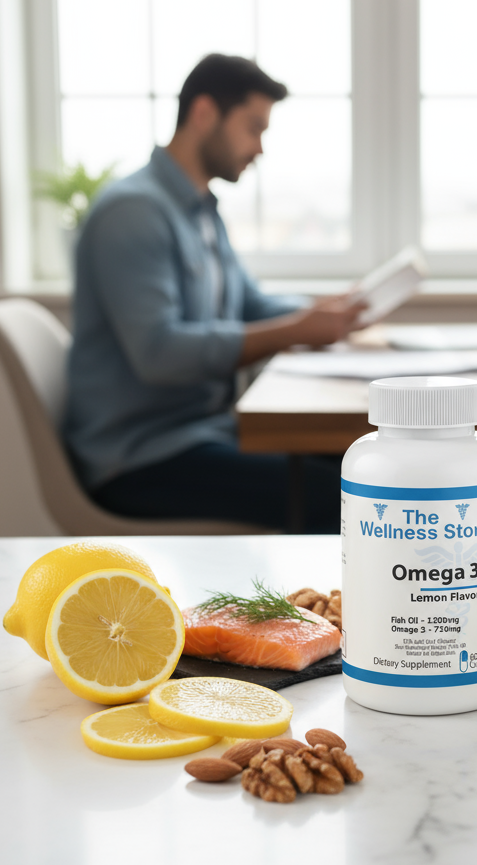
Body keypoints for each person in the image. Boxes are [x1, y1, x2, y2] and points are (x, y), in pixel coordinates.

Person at [63, 54, 365, 531]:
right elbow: (159, 352)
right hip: (143, 455)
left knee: (353, 462)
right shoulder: (133, 212)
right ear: (204, 113)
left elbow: (250, 304)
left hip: (203, 433)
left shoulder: (200, 211)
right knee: (333, 493)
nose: (259, 148)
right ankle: (321, 609)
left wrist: (323, 313)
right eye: (253, 128)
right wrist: (294, 330)